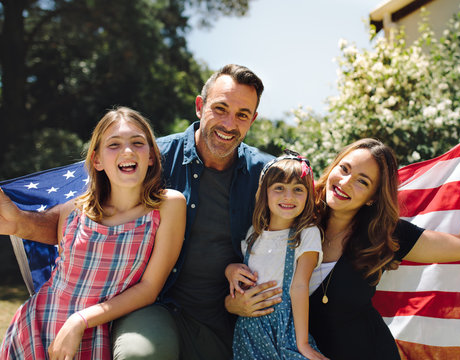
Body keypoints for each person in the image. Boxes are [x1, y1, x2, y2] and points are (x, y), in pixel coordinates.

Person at [0, 64, 280, 360]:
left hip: (220, 310)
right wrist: (19, 223)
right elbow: (86, 215)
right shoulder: (148, 157)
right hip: (152, 305)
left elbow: (301, 219)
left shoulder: (265, 175)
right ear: (200, 106)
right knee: (139, 355)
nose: (228, 123)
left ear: (253, 120)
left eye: (242, 115)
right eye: (220, 109)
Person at [0, 107, 186, 359]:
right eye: (114, 144)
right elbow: (38, 235)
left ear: (152, 156)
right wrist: (15, 221)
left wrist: (80, 320)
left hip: (92, 328)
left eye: (138, 143)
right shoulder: (76, 209)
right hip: (37, 326)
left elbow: (149, 288)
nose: (128, 151)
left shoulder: (168, 205)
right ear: (97, 160)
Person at [306, 134, 460, 360]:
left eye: (363, 181)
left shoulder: (384, 235)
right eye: (344, 169)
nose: (345, 182)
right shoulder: (298, 215)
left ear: (373, 197)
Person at [225, 151, 328, 360]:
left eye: (298, 189)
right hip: (248, 329)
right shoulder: (253, 234)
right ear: (264, 193)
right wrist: (230, 271)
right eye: (279, 188)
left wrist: (303, 344)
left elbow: (299, 286)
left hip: (284, 329)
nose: (288, 196)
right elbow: (243, 271)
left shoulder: (306, 233)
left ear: (308, 195)